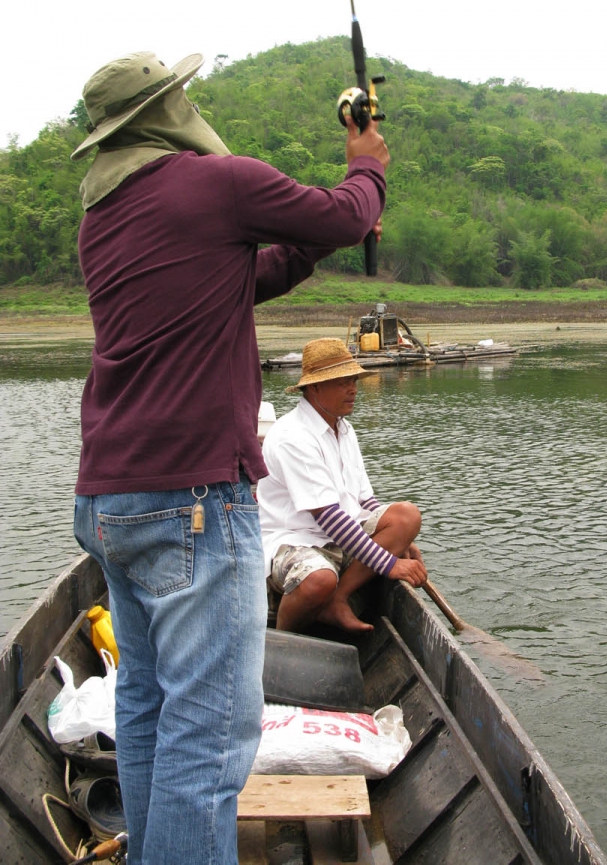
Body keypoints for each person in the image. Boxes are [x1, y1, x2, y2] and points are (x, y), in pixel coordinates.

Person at [70, 51, 388, 865]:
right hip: (193, 498)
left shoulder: (103, 215)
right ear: (161, 112)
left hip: (110, 502)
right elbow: (342, 214)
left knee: (147, 707)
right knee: (209, 735)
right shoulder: (215, 184)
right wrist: (366, 167)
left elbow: (246, 276)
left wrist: (315, 238)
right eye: (178, 94)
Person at [258, 338, 428, 633]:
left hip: (339, 537)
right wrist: (389, 564)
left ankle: (338, 598)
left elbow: (365, 501)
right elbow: (327, 516)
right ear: (315, 387)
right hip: (296, 539)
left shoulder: (343, 428)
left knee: (407, 516)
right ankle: (284, 641)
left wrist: (400, 540)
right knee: (318, 580)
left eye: (353, 380)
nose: (353, 389)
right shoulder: (292, 435)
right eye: (342, 382)